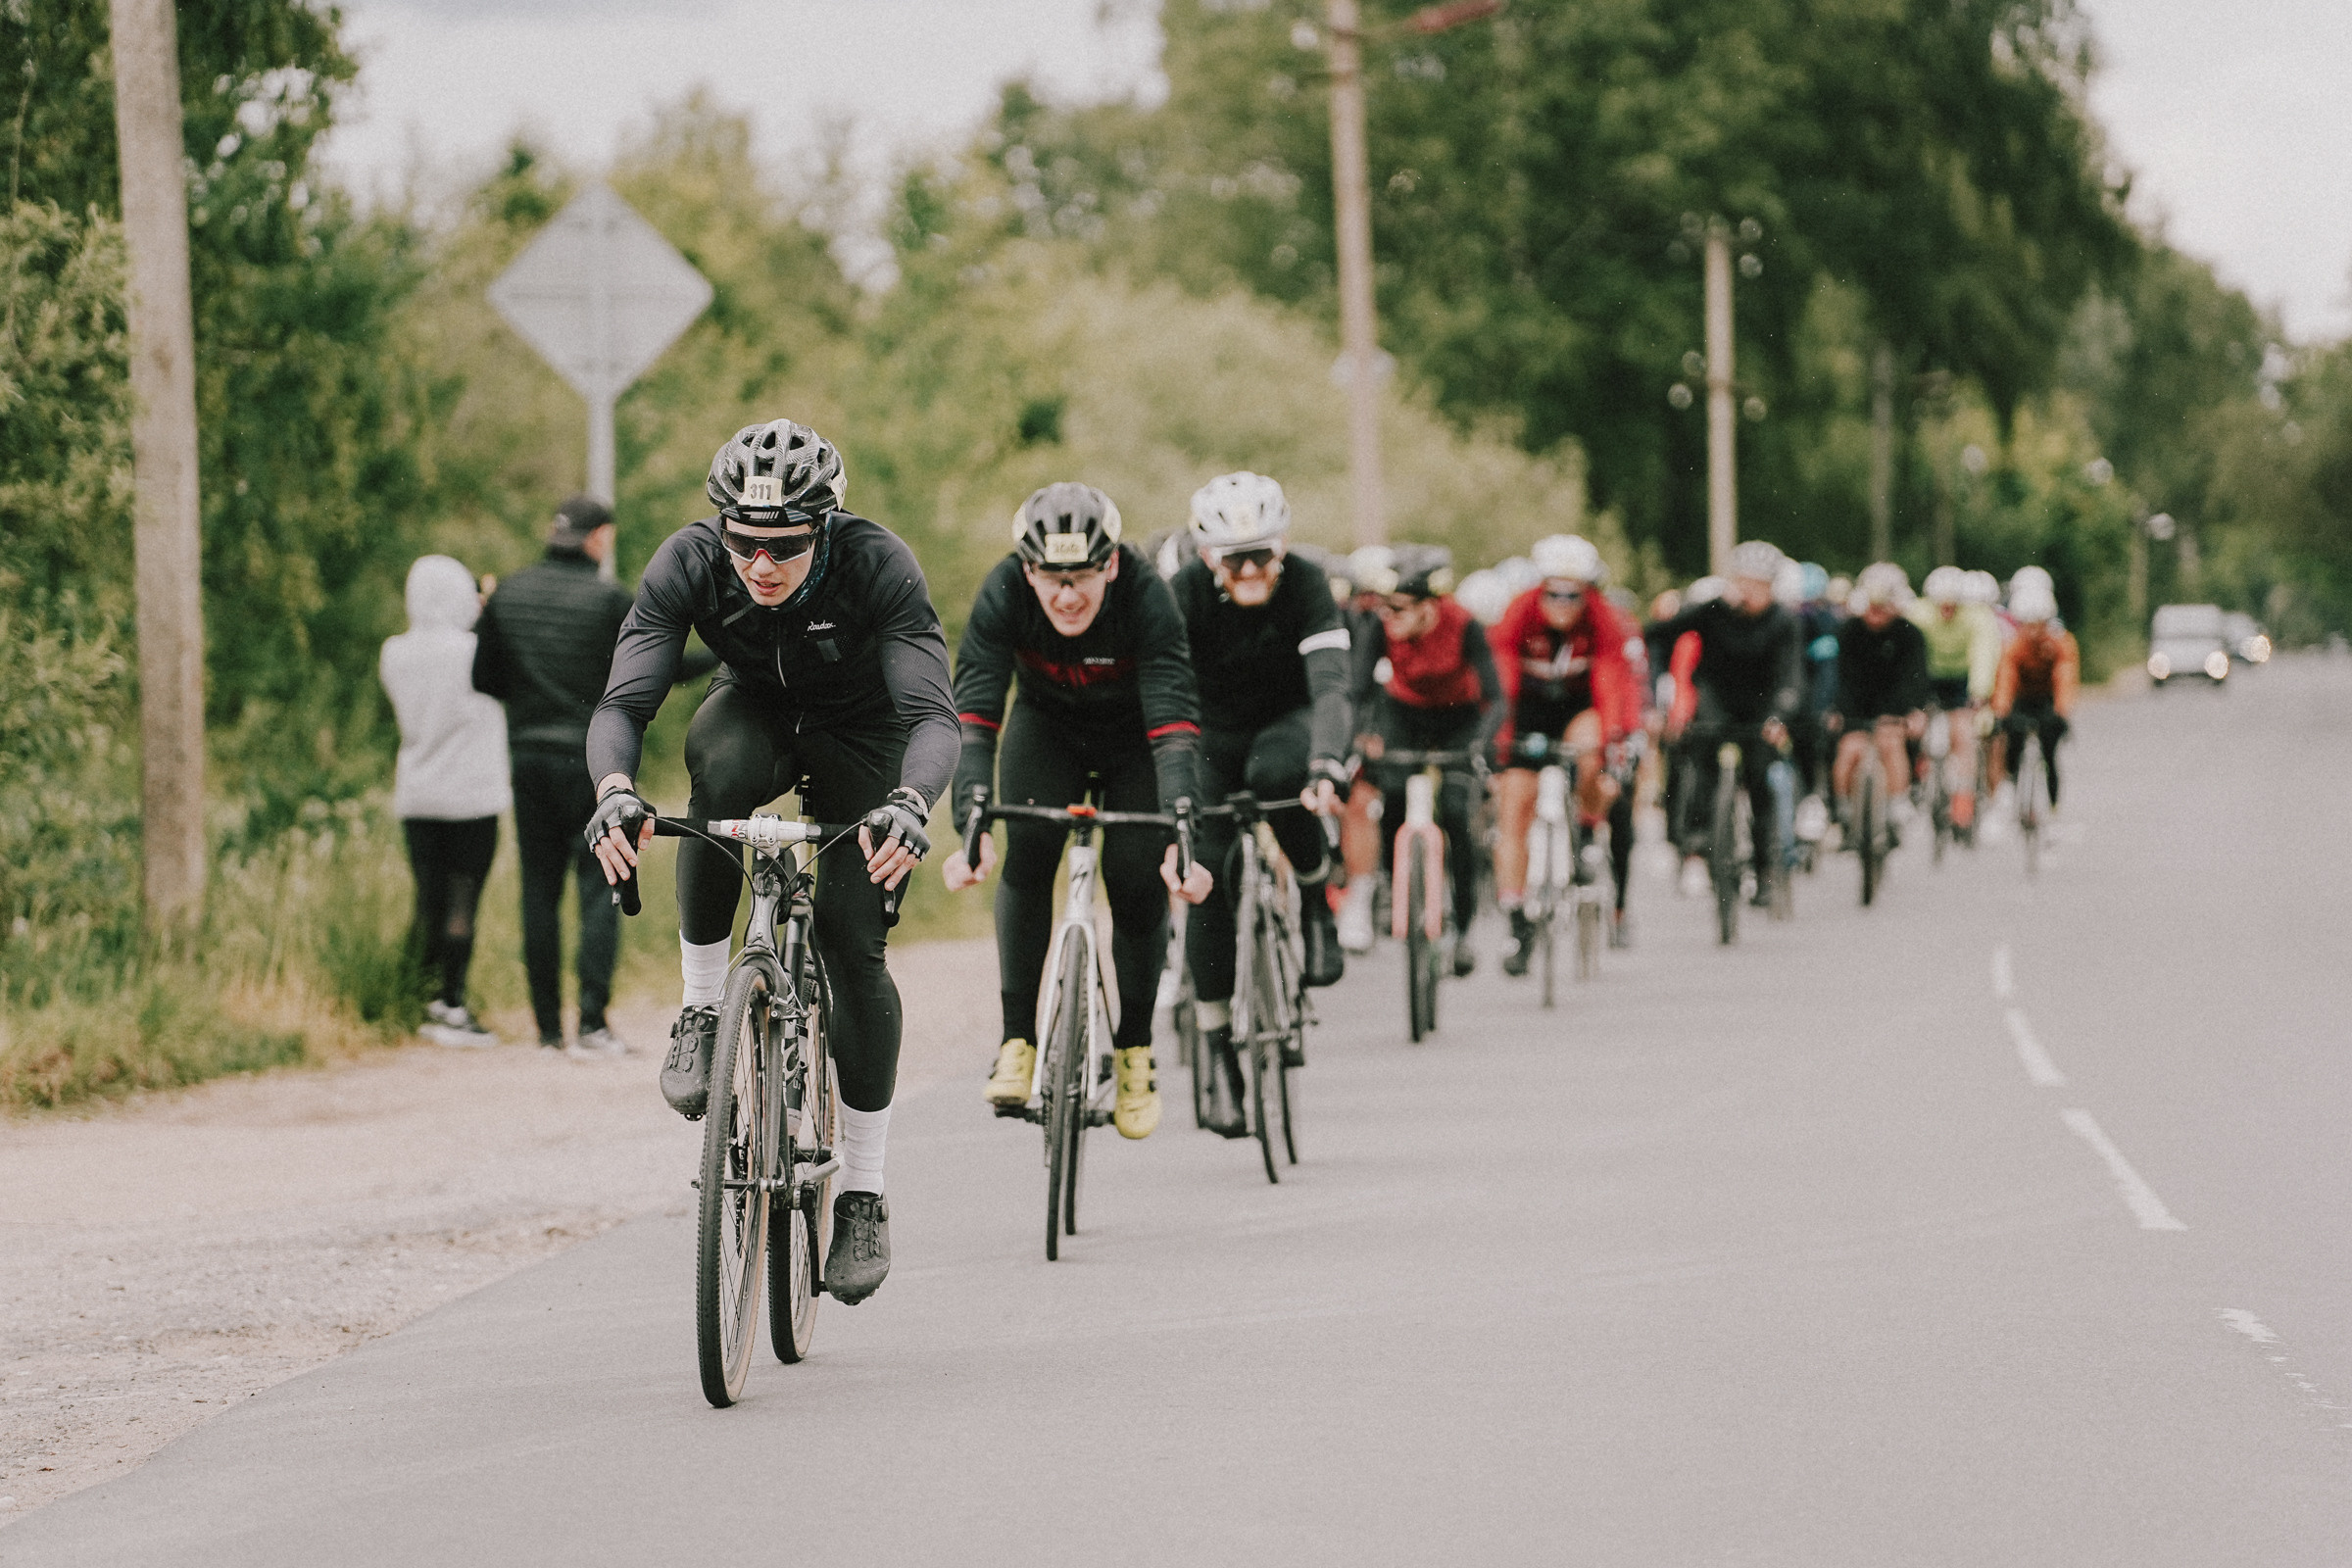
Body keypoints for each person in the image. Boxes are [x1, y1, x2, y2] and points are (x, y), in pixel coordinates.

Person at [584, 418, 958, 1307]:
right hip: (752, 708)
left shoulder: (877, 564)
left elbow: (935, 718)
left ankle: (862, 1190)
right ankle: (704, 1009)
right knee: (716, 785)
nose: (761, 564)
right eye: (744, 542)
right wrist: (611, 790)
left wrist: (909, 806)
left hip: (864, 733)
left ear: (823, 528)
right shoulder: (688, 560)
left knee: (849, 939)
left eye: (785, 546)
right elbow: (625, 697)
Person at [947, 482, 1213, 1141]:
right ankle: (1017, 1041)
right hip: (1047, 729)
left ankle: (1134, 1050)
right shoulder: (1004, 590)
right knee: (1028, 856)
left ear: (1112, 565)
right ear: (1028, 570)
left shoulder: (1148, 595)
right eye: (1052, 579)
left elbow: (1175, 724)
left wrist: (1184, 833)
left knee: (1133, 875)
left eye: (1083, 579)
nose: (1067, 597)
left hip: (1135, 741)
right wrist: (972, 822)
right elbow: (976, 714)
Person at [1168, 472, 1350, 1135]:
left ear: (1284, 546)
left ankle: (1314, 896)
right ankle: (1217, 1048)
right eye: (1232, 557)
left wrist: (1328, 760)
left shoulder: (1306, 582)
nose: (1249, 569)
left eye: (1262, 554)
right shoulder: (1183, 593)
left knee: (1281, 778)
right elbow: (1162, 691)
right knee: (1208, 873)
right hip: (1210, 733)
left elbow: (1331, 685)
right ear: (1207, 555)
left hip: (1286, 719)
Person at [472, 497, 637, 1057]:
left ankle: (546, 1029)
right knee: (601, 884)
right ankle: (592, 1024)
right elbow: (648, 670)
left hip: (528, 757)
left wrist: (531, 702)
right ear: (598, 539)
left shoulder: (509, 595)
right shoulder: (610, 601)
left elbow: (484, 677)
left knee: (538, 892)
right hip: (593, 762)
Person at [1337, 544, 1502, 973]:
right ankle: (1399, 888)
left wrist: (1481, 745)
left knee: (1455, 814)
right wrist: (1360, 734)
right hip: (1404, 714)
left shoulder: (1464, 626)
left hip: (1457, 719)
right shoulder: (1380, 626)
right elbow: (1357, 690)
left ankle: (1463, 932)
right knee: (1390, 797)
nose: (1388, 617)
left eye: (1399, 609)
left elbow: (1496, 698)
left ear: (1430, 607)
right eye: (1384, 608)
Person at [1486, 533, 1640, 971]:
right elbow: (1500, 683)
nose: (1563, 602)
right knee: (1514, 804)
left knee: (1590, 748)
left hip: (1578, 707)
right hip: (1527, 711)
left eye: (1574, 594)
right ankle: (1516, 915)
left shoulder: (1603, 619)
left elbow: (1612, 683)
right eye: (1553, 592)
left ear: (1588, 592)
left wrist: (1612, 747)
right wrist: (1499, 747)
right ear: (1539, 588)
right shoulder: (1519, 611)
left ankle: (1588, 826)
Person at [381, 555, 512, 1049]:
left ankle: (417, 997)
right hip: (472, 793)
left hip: (417, 792)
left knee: (428, 898)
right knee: (463, 900)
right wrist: (485, 612)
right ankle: (452, 1003)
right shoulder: (471, 651)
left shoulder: (394, 652)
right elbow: (498, 668)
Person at [1645, 542, 1803, 900]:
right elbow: (1658, 634)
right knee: (1703, 766)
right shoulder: (1712, 611)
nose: (1748, 592)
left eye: (1758, 585)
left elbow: (1792, 676)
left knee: (1760, 779)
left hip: (1762, 705)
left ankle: (1764, 870)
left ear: (1772, 587)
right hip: (1717, 699)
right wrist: (1661, 693)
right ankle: (1697, 849)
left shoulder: (1784, 622)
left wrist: (1781, 714)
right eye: (1742, 583)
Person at [1826, 564, 1931, 837]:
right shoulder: (1848, 631)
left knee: (1890, 742)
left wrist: (1912, 711)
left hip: (1894, 709)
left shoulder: (1910, 634)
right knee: (1849, 750)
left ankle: (1897, 803)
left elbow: (1915, 678)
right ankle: (1844, 811)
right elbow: (1841, 677)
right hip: (1856, 707)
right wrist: (1839, 711)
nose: (1876, 614)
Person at [1907, 565, 1999, 831]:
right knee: (1916, 725)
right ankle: (1919, 777)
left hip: (1961, 677)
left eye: (1953, 606)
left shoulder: (1977, 617)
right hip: (1929, 675)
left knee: (1963, 733)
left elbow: (1984, 653)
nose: (1947, 611)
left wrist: (1979, 693)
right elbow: (1910, 655)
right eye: (1942, 606)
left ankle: (1963, 797)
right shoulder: (1918, 614)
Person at [1989, 577, 2079, 808]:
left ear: (2047, 622)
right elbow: (2006, 680)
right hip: (2022, 698)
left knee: (2050, 753)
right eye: (2027, 625)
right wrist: (2001, 711)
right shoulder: (2014, 647)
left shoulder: (2062, 643)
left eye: (2038, 624)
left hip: (2048, 699)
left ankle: (2053, 809)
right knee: (2012, 739)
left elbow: (2065, 677)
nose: (2032, 631)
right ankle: (2010, 783)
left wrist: (2062, 711)